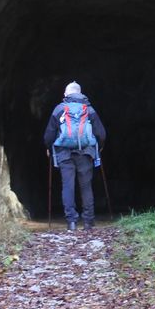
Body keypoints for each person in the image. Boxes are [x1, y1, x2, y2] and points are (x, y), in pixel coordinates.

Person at [44, 82, 107, 231]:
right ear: (80, 93)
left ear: (66, 94)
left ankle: (71, 222)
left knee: (68, 186)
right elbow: (101, 133)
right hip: (86, 152)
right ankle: (88, 222)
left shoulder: (59, 109)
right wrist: (99, 147)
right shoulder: (89, 110)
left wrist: (49, 148)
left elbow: (49, 135)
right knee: (86, 186)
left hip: (64, 153)